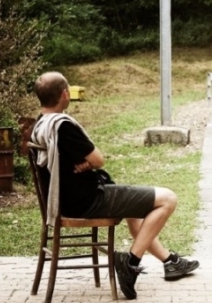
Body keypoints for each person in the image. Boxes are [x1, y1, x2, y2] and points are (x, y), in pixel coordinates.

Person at [30, 71, 199, 300]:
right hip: (90, 201)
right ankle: (130, 263)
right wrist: (90, 164)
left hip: (67, 201)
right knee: (168, 199)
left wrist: (85, 164)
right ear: (65, 94)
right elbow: (98, 159)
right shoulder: (63, 127)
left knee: (134, 208)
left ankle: (170, 262)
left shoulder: (40, 126)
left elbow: (82, 162)